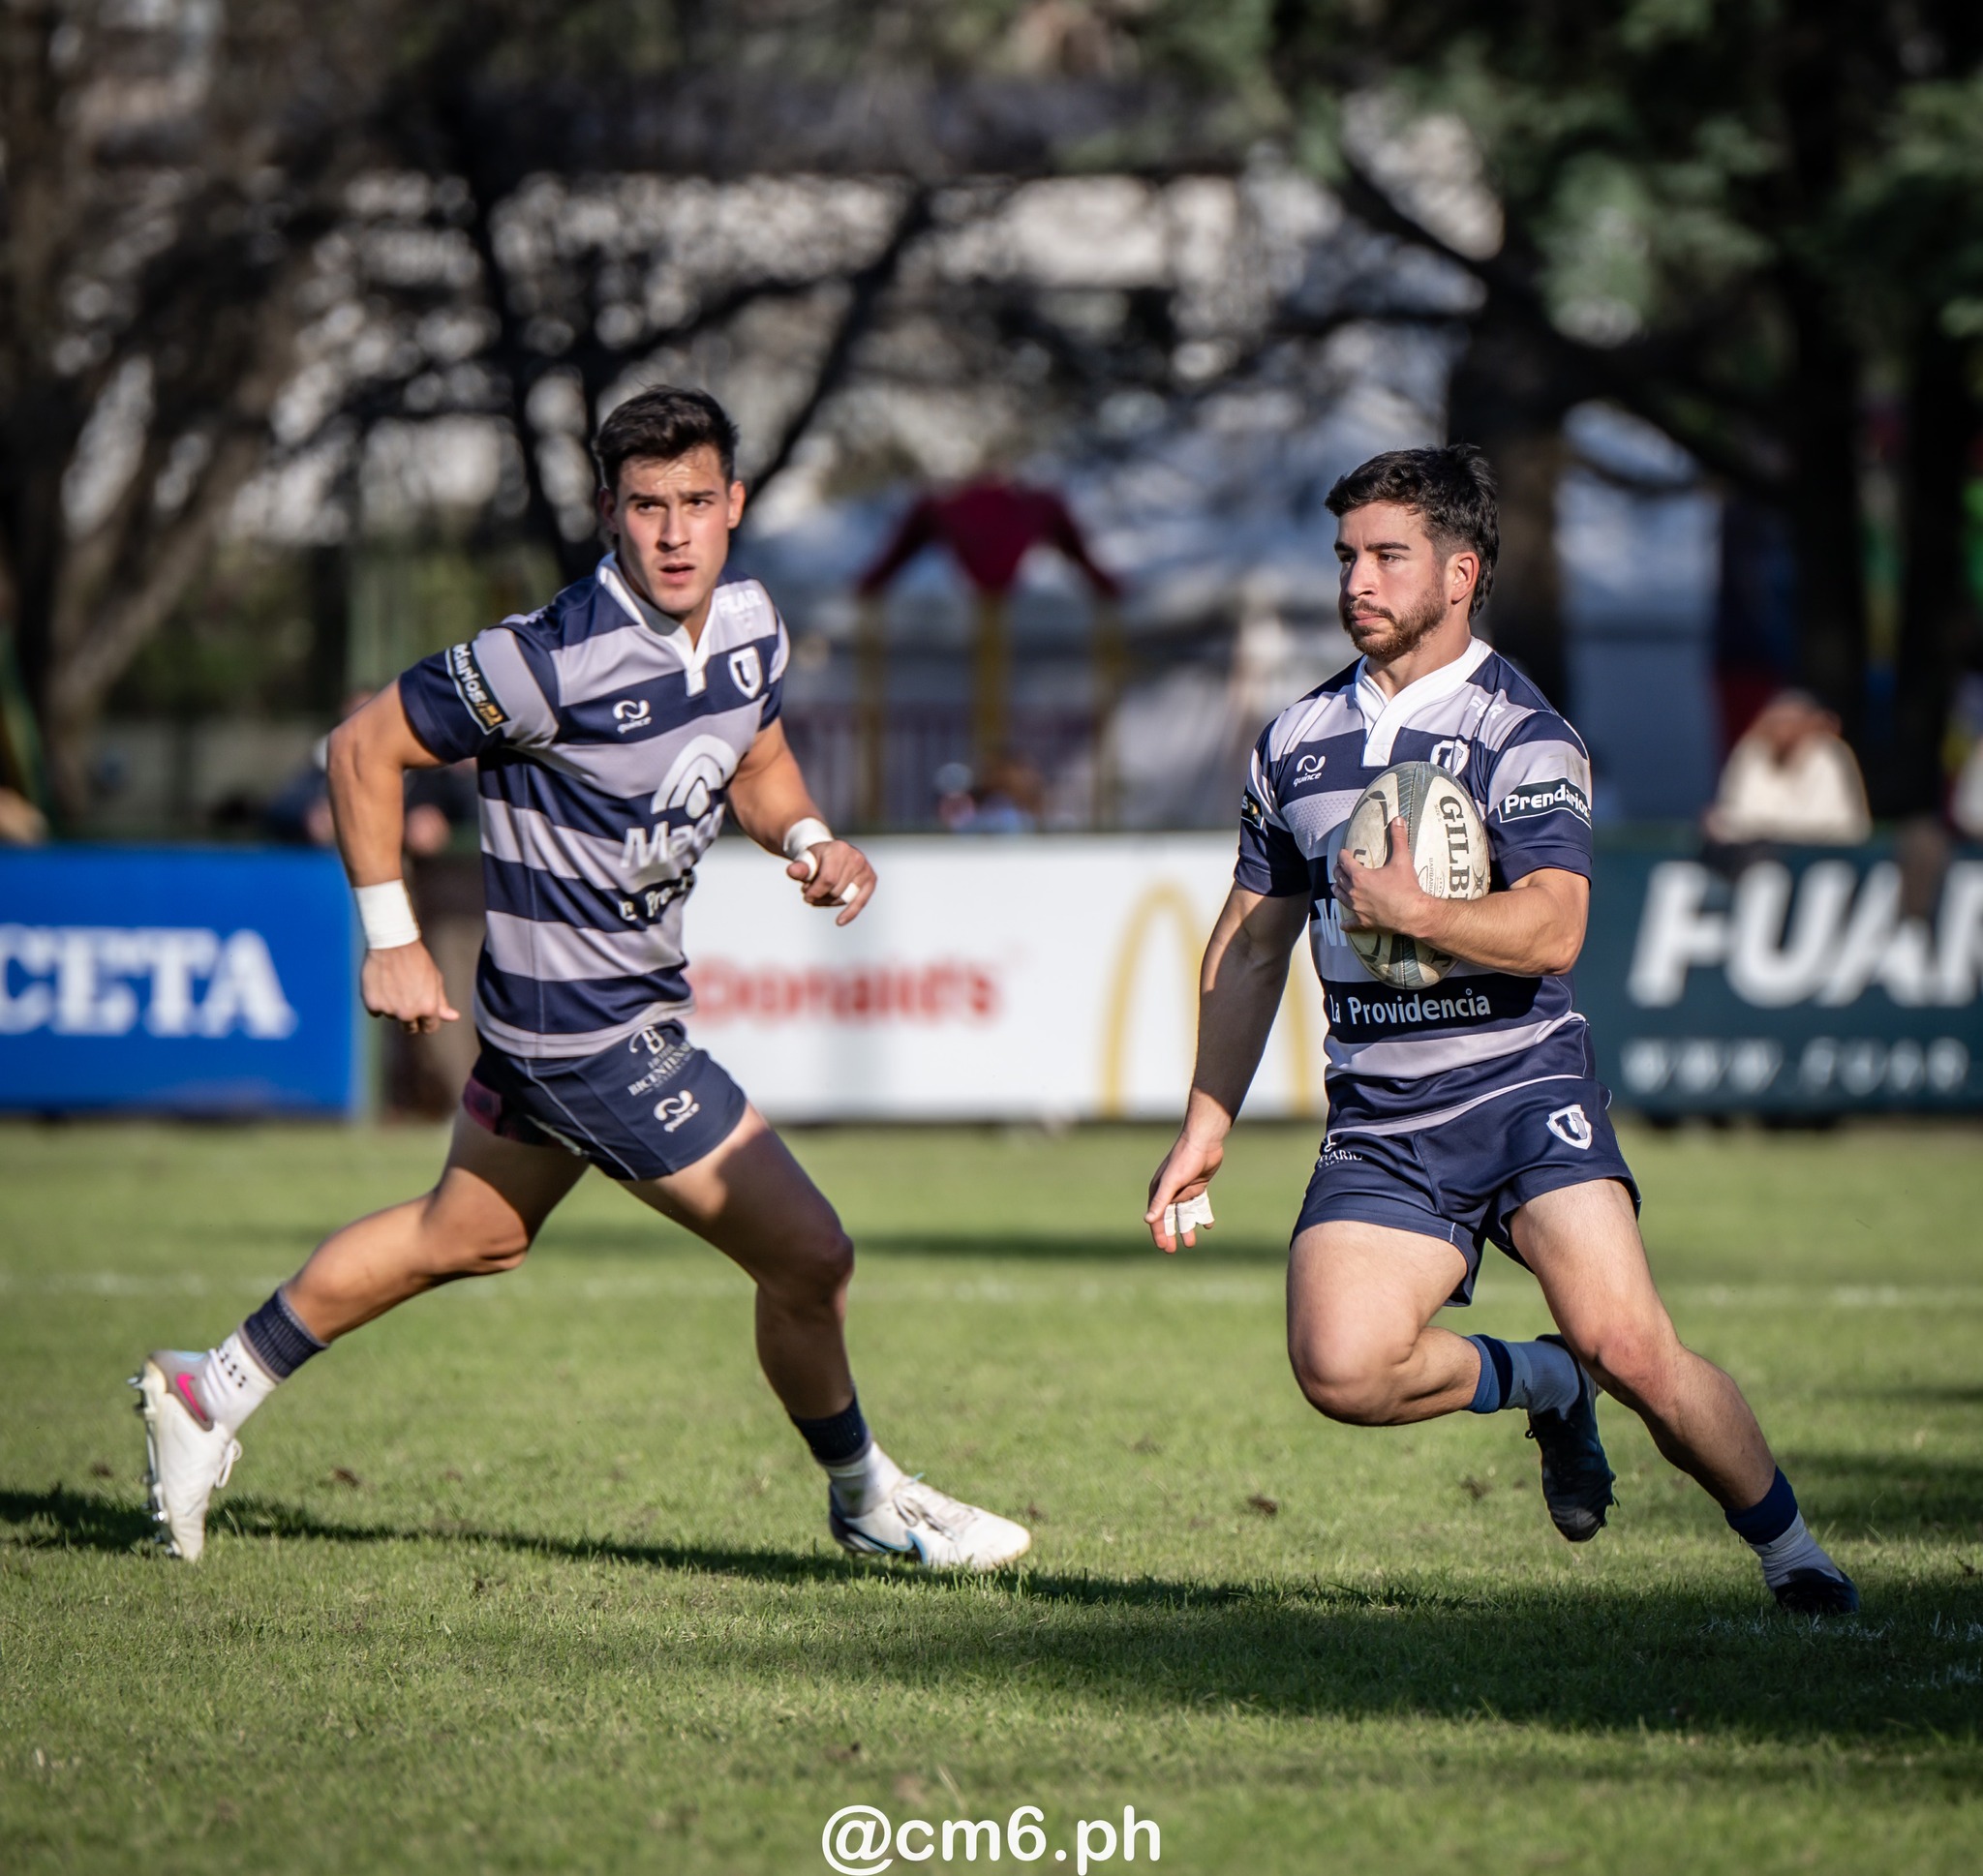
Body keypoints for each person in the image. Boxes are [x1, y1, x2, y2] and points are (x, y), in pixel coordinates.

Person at [131, 385, 1031, 1571]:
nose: (672, 533)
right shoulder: (548, 658)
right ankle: (868, 1500)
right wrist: (391, 934)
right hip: (583, 1032)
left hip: (612, 1007)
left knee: (467, 1234)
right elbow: (363, 746)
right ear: (609, 511)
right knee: (810, 1254)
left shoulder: (753, 624)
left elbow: (751, 755)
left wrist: (809, 839)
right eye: (646, 506)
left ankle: (209, 1391)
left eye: (696, 504)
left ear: (735, 506)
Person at [1144, 444, 1857, 1615]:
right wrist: (1203, 1125)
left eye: (1385, 558)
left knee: (1631, 1348)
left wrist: (1421, 913)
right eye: (1344, 558)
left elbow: (1555, 927)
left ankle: (1792, 1556)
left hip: (1523, 1095)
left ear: (1460, 571)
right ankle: (1539, 1386)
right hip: (1381, 1117)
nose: (1355, 582)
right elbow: (1251, 943)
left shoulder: (1521, 731)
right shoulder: (1294, 744)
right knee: (1340, 1367)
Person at [1703, 689, 1871, 847]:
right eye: (1777, 721)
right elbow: (1738, 817)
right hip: (1759, 858)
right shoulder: (1752, 751)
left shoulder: (1829, 754)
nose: (1783, 729)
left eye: (1792, 721)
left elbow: (1831, 824)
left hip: (1826, 858)